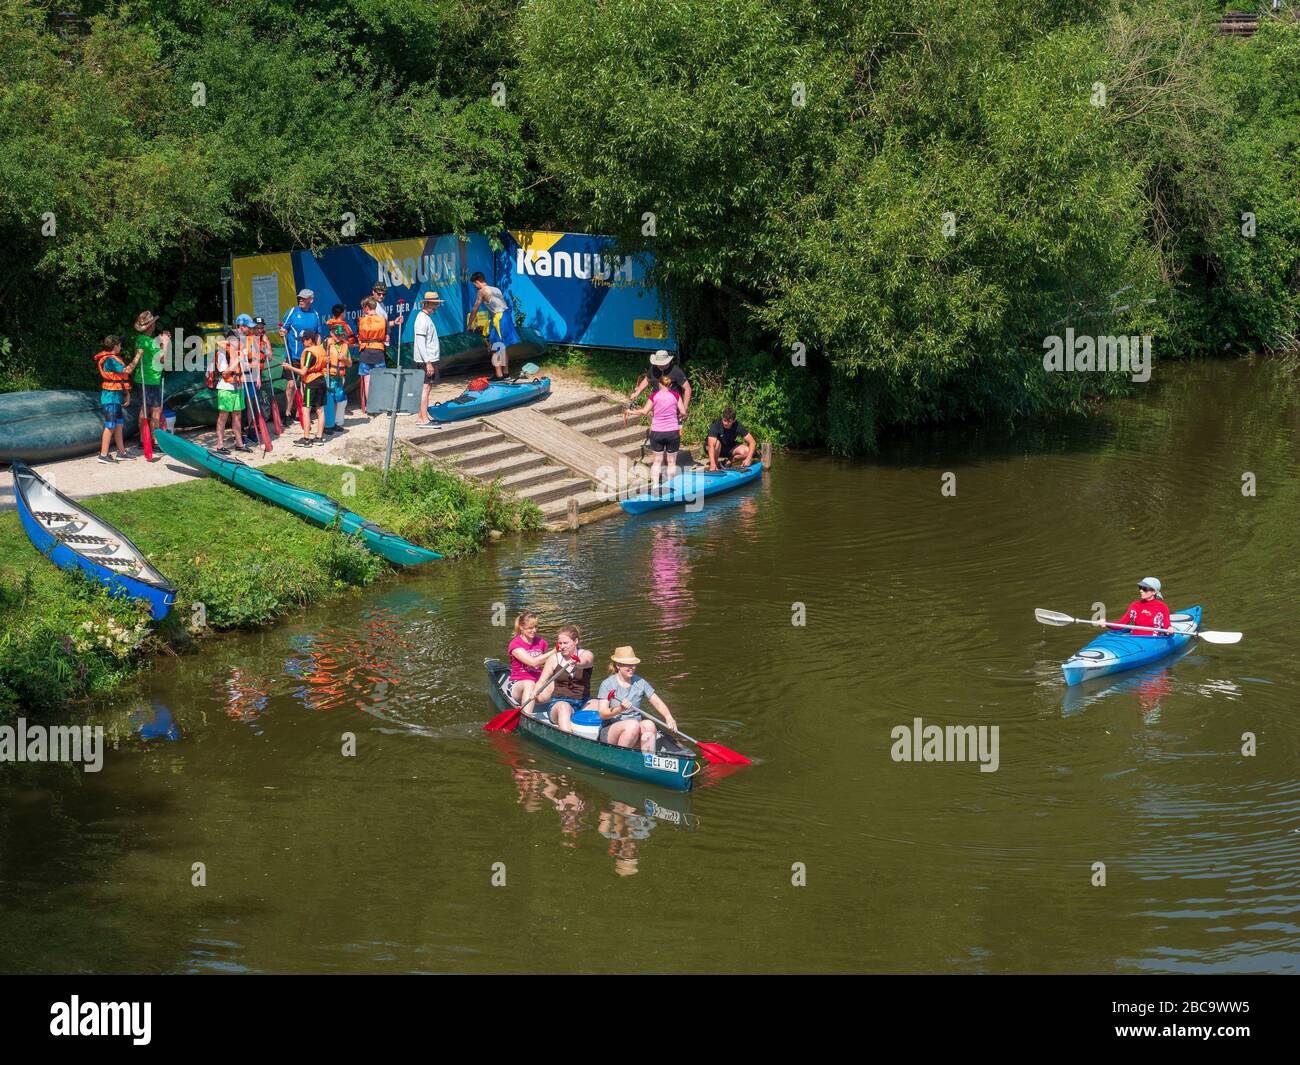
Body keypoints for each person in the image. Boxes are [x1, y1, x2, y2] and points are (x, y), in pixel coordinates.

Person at [594, 646, 677, 754]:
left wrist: (668, 717)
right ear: (618, 665)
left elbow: (656, 701)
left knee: (649, 724)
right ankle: (620, 757)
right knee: (632, 725)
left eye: (633, 664)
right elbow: (602, 714)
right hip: (611, 731)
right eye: (628, 665)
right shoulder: (607, 684)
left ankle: (648, 758)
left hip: (635, 729)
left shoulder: (640, 682)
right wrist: (620, 709)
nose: (632, 667)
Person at [531, 624, 596, 733]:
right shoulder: (554, 659)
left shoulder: (586, 654)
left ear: (575, 641)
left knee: (599, 705)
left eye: (566, 643)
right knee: (564, 707)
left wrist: (577, 662)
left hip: (582, 703)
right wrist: (535, 691)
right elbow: (541, 681)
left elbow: (585, 661)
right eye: (560, 643)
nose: (562, 646)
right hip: (559, 703)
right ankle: (569, 740)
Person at [628, 373, 687, 492]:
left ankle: (655, 486)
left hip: (657, 432)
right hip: (672, 432)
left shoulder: (654, 395)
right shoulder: (676, 395)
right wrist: (679, 417)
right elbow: (683, 412)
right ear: (670, 384)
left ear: (660, 384)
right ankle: (670, 486)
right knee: (671, 462)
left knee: (657, 461)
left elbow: (644, 411)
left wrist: (631, 411)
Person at [279, 289, 325, 419]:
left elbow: (317, 335)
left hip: (308, 356)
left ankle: (301, 413)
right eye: (299, 298)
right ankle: (288, 412)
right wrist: (282, 332)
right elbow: (283, 329)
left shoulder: (315, 314)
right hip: (292, 354)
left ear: (311, 300)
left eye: (304, 298)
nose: (301, 300)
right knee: (291, 384)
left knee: (305, 384)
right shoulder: (292, 312)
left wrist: (318, 351)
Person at [93, 336, 139, 463]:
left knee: (119, 425)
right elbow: (128, 370)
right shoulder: (110, 360)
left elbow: (120, 378)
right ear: (115, 346)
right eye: (119, 345)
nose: (121, 347)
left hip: (116, 396)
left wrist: (127, 394)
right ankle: (103, 455)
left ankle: (122, 453)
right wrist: (138, 356)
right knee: (110, 425)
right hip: (111, 397)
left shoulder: (113, 359)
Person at [466, 271, 519, 378]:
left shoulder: (481, 291)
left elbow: (475, 309)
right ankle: (506, 373)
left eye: (474, 285)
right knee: (502, 347)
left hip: (498, 319)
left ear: (477, 282)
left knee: (495, 348)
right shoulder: (496, 289)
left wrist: (469, 325)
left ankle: (498, 376)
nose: (475, 287)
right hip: (506, 317)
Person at [279, 329, 327, 445]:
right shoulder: (321, 349)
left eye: (303, 340)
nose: (302, 343)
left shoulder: (310, 352)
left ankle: (306, 439)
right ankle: (319, 437)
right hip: (321, 380)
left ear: (310, 340)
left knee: (306, 409)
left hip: (312, 382)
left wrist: (289, 367)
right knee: (320, 409)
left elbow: (303, 372)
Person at [132, 310, 169, 458]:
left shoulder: (140, 339)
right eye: (152, 323)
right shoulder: (147, 341)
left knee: (144, 408)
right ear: (149, 326)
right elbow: (162, 359)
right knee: (156, 411)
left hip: (140, 379)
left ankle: (143, 439)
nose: (154, 326)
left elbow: (152, 349)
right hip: (151, 380)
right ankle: (154, 441)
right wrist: (165, 344)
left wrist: (160, 341)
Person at [211, 331, 251, 454]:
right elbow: (224, 372)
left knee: (238, 416)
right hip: (226, 387)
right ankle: (220, 445)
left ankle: (239, 443)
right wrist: (238, 359)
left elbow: (244, 369)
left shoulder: (239, 352)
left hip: (238, 387)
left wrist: (244, 362)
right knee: (223, 416)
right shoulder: (223, 353)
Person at [412, 291, 444, 428]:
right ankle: (424, 419)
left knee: (427, 387)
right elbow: (420, 342)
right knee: (425, 388)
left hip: (429, 359)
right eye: (435, 303)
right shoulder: (422, 319)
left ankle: (422, 417)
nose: (437, 306)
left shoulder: (425, 317)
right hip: (427, 360)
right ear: (429, 303)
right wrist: (428, 362)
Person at [508, 610, 550, 706]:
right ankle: (526, 717)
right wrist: (555, 651)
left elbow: (546, 663)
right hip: (518, 684)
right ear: (522, 627)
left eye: (536, 627)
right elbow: (533, 663)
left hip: (537, 682)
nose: (534, 630)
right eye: (530, 628)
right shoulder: (515, 644)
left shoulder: (541, 642)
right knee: (529, 683)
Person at [355, 296, 388, 414]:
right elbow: (387, 337)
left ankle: (371, 406)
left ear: (367, 308)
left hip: (365, 352)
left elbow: (359, 336)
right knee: (380, 380)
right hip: (379, 351)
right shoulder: (383, 320)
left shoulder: (361, 320)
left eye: (363, 308)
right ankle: (380, 404)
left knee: (367, 380)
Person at [323, 325, 353, 436]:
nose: (339, 337)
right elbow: (319, 357)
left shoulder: (345, 346)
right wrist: (326, 359)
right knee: (329, 401)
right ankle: (327, 425)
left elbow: (349, 364)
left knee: (337, 400)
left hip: (339, 377)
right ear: (331, 333)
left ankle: (333, 422)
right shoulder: (326, 344)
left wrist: (344, 359)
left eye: (341, 335)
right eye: (337, 335)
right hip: (328, 376)